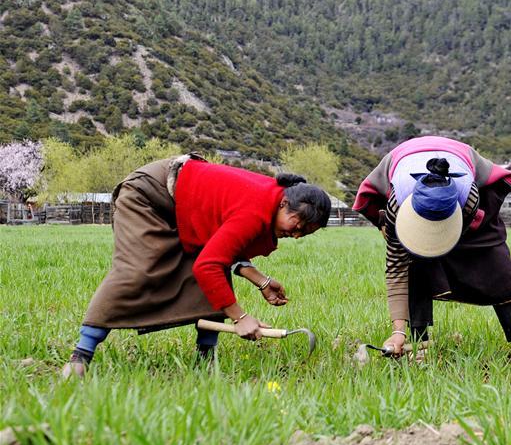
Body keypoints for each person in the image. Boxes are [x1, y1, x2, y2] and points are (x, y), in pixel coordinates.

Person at [62, 154, 331, 377]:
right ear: (284, 203)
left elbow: (224, 247)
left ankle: (205, 361)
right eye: (297, 224)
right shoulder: (255, 210)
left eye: (305, 233)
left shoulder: (270, 203)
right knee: (137, 271)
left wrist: (261, 281)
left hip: (183, 204)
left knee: (210, 271)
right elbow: (210, 264)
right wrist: (240, 317)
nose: (296, 234)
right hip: (148, 194)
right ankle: (81, 355)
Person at [353, 136, 511, 361]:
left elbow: (466, 242)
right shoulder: (396, 206)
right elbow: (396, 268)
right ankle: (418, 343)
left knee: (495, 262)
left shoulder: (470, 198)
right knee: (414, 260)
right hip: (406, 172)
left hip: (465, 186)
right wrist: (396, 331)